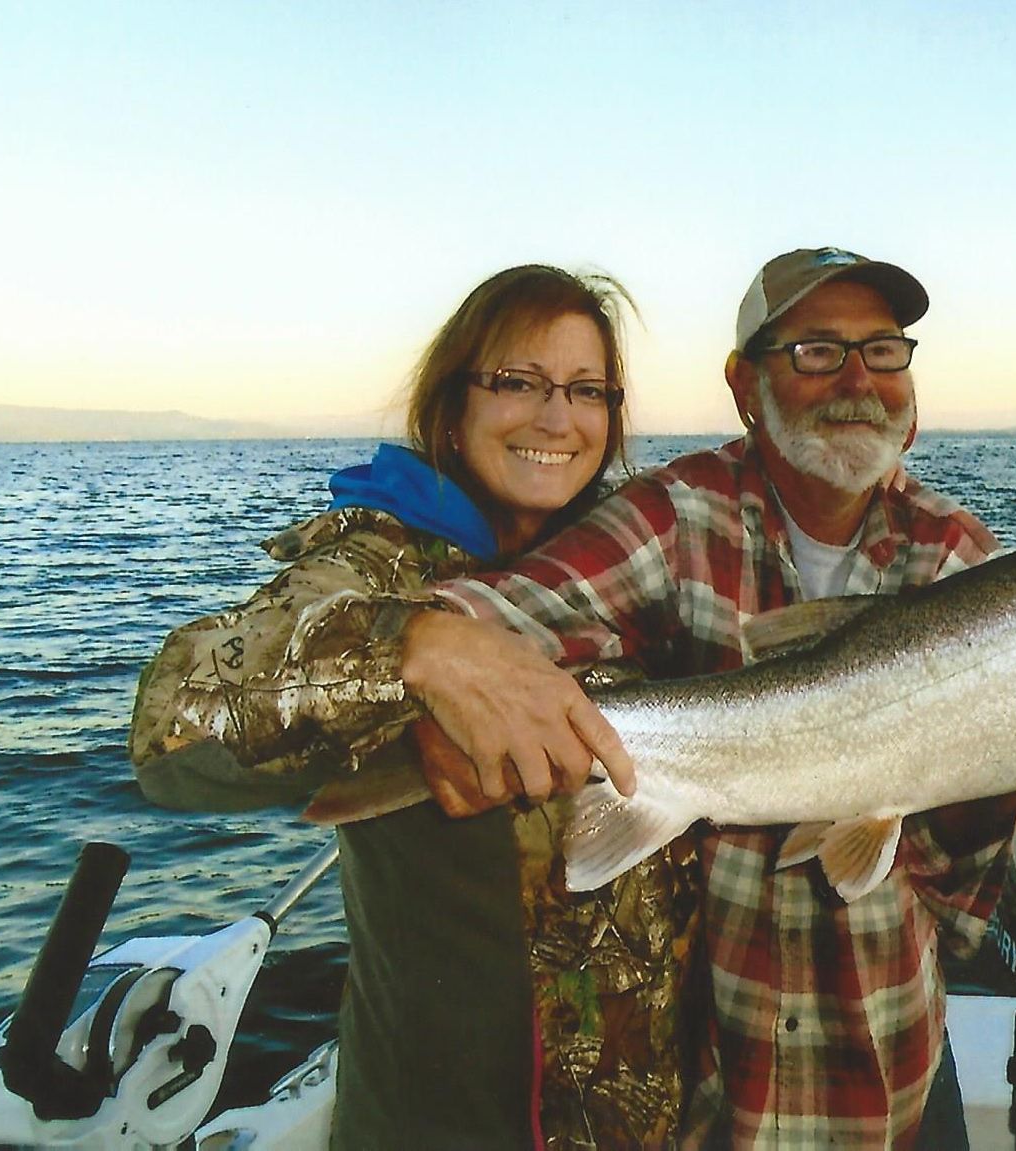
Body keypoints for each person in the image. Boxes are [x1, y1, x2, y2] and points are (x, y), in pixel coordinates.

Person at [389, 247, 1016, 1146]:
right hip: (708, 1094)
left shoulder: (960, 559)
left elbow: (956, 885)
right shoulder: (677, 515)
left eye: (884, 351)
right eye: (817, 350)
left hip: (885, 1075)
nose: (859, 380)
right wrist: (438, 652)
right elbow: (480, 619)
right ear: (744, 384)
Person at [129, 265, 701, 1148]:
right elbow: (176, 728)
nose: (558, 417)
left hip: (646, 1116)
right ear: (451, 406)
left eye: (588, 390)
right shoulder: (375, 565)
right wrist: (420, 649)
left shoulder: (649, 562)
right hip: (440, 1117)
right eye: (519, 382)